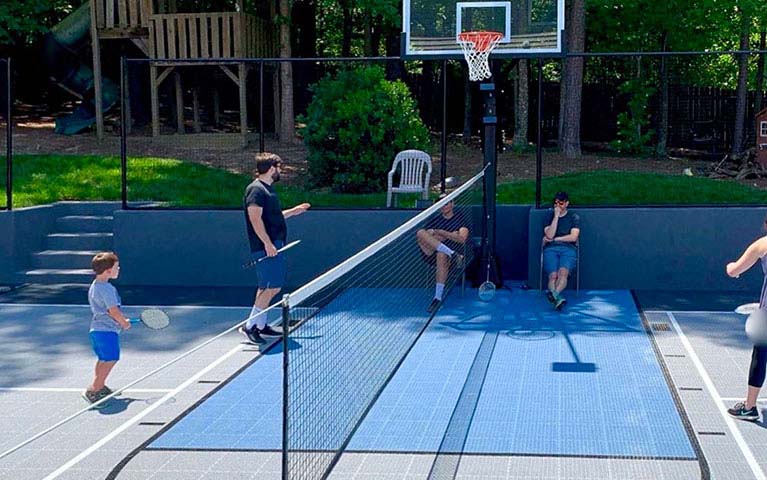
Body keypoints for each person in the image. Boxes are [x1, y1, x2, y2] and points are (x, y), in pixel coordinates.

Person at [240, 154, 310, 344]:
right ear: (272, 168)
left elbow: (274, 217)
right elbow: (255, 218)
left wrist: (294, 211)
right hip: (267, 247)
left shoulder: (267, 190)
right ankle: (249, 326)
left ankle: (261, 326)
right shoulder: (256, 190)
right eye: (279, 167)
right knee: (273, 287)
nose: (280, 171)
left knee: (265, 287)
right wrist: (267, 244)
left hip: (274, 244)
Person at [725, 217, 767, 421]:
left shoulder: (762, 244)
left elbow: (734, 270)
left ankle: (749, 407)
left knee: (761, 353)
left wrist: (731, 267)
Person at [84, 252, 131, 407]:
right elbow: (113, 311)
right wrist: (123, 322)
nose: (119, 269)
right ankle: (94, 390)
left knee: (103, 359)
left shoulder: (95, 286)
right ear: (108, 270)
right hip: (106, 331)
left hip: (97, 330)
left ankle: (100, 385)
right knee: (111, 359)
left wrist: (120, 321)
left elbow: (106, 311)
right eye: (116, 267)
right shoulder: (107, 289)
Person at [416, 194, 469, 314]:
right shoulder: (435, 220)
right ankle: (452, 253)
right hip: (430, 253)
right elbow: (426, 237)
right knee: (420, 232)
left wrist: (441, 232)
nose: (443, 206)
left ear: (452, 204)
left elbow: (462, 238)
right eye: (440, 204)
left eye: (445, 203)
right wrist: (450, 235)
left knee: (441, 254)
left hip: (448, 258)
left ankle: (437, 298)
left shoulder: (460, 219)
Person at [542, 191, 580, 310]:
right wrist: (556, 217)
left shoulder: (573, 217)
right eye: (556, 203)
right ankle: (557, 299)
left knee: (563, 273)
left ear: (567, 203)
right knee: (553, 276)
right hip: (551, 249)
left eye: (561, 203)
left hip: (568, 248)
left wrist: (558, 238)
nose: (558, 206)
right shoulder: (550, 216)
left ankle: (553, 294)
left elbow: (573, 237)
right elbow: (549, 235)